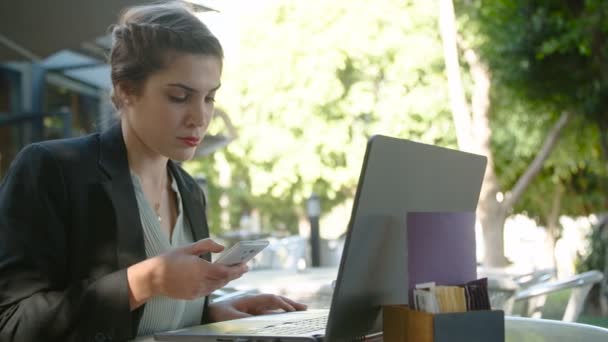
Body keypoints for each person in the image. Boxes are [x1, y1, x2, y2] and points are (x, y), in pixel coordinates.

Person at [0, 2, 306, 341]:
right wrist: (145, 281)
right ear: (126, 89)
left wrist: (212, 311)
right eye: (179, 96)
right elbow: (12, 324)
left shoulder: (189, 191)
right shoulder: (53, 170)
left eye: (209, 98)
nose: (200, 117)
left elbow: (150, 322)